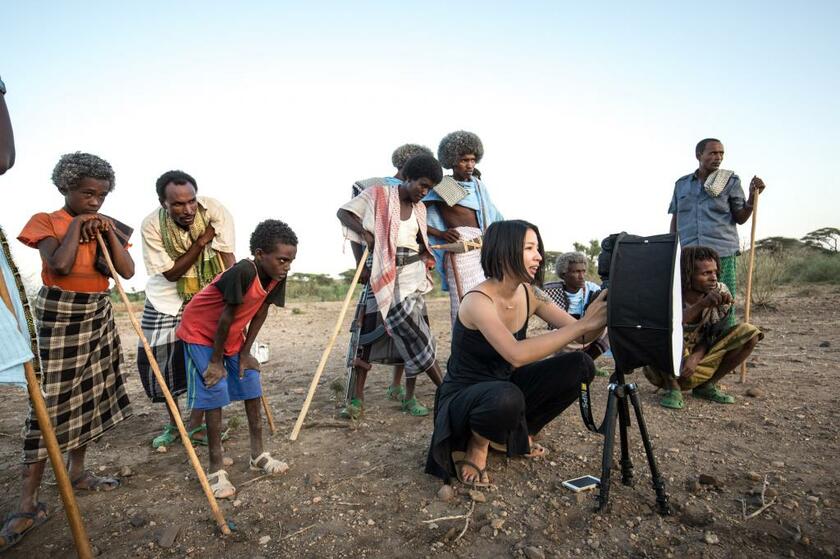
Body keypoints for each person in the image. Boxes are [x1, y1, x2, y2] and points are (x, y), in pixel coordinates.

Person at [2, 152, 134, 549]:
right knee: (49, 404)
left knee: (88, 397)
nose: (95, 202)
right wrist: (77, 226)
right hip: (58, 316)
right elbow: (58, 266)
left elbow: (124, 272)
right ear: (65, 188)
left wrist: (107, 233)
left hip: (96, 314)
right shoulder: (48, 222)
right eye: (86, 194)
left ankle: (78, 472)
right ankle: (27, 503)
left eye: (101, 195)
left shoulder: (110, 225)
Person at [425, 220, 607, 487]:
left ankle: (519, 434)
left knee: (581, 364)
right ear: (504, 251)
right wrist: (583, 324)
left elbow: (580, 336)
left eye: (538, 248)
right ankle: (478, 444)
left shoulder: (529, 293)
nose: (539, 256)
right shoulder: (478, 301)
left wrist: (602, 315)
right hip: (467, 395)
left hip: (506, 384)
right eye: (529, 248)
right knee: (506, 396)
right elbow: (516, 355)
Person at [176, 219, 295, 498]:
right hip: (201, 331)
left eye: (290, 260)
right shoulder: (243, 271)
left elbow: (260, 311)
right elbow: (225, 316)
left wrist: (245, 353)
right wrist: (216, 362)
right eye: (281, 259)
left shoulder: (277, 275)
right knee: (214, 389)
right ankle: (216, 468)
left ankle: (258, 455)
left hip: (229, 334)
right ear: (259, 253)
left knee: (251, 380)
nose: (286, 265)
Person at [337, 154, 445, 419]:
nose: (424, 191)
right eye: (422, 184)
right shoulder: (379, 195)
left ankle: (409, 397)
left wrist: (428, 253)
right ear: (407, 178)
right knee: (367, 336)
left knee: (415, 335)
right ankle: (356, 399)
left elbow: (419, 241)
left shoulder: (420, 209)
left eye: (429, 188)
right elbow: (344, 212)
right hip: (381, 272)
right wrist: (364, 234)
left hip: (412, 277)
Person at [139, 170, 236, 448]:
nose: (188, 209)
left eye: (191, 201)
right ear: (163, 203)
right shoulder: (152, 226)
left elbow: (227, 255)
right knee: (161, 362)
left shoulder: (213, 210)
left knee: (205, 360)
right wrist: (201, 241)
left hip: (208, 294)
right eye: (178, 204)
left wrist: (235, 296)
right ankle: (175, 424)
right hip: (165, 299)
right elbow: (170, 274)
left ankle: (195, 425)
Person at [643, 246, 764, 409]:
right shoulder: (668, 293)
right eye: (706, 273)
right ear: (687, 275)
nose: (713, 278)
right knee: (659, 331)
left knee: (750, 334)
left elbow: (713, 334)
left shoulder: (720, 291)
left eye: (715, 272)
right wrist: (701, 305)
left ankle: (706, 386)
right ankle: (673, 387)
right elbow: (665, 327)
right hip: (663, 369)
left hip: (697, 365)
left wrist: (696, 357)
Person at [669, 138, 766, 327]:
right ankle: (690, 344)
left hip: (721, 252)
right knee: (684, 299)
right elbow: (675, 217)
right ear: (699, 155)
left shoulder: (730, 181)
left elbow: (740, 217)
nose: (718, 157)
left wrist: (752, 200)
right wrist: (671, 246)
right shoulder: (682, 184)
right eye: (713, 153)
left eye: (721, 153)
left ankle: (722, 344)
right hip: (689, 252)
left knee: (723, 300)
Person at [423, 131, 503, 324]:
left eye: (473, 160)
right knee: (464, 300)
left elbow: (495, 216)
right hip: (461, 251)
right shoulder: (443, 186)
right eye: (464, 160)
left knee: (488, 300)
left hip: (485, 248)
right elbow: (415, 216)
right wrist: (439, 233)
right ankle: (463, 347)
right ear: (451, 160)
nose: (469, 165)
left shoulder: (478, 186)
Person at [543, 252, 610, 362]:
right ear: (564, 274)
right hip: (560, 338)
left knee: (606, 329)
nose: (582, 276)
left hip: (585, 336)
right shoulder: (548, 291)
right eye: (576, 272)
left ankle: (586, 360)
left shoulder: (593, 289)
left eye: (583, 271)